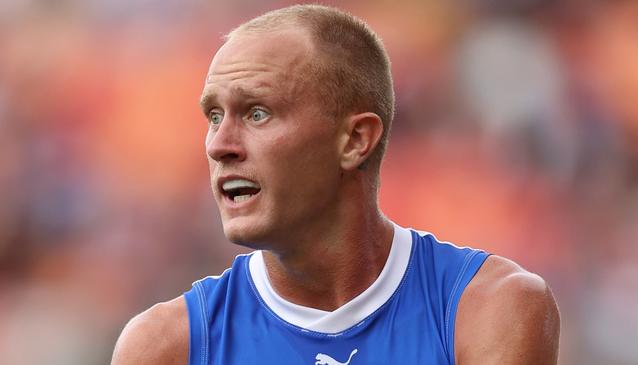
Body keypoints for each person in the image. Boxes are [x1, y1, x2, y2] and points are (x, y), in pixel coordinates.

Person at [111, 4, 560, 364]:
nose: (219, 145)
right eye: (214, 116)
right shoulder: (167, 346)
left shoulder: (487, 310)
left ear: (355, 140)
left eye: (257, 113)